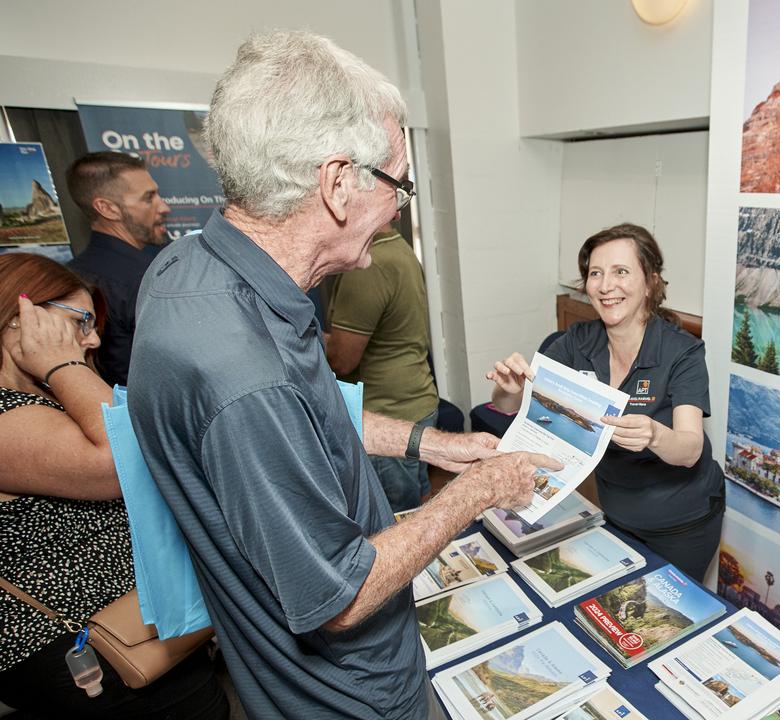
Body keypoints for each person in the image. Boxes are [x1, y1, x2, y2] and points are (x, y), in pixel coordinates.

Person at [126, 31, 557, 720]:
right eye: (398, 183)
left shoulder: (194, 270)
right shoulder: (243, 368)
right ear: (335, 183)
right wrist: (473, 492)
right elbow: (342, 596)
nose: (398, 207)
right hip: (345, 698)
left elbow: (308, 415)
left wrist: (431, 445)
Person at [0, 253, 227, 719]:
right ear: (18, 319)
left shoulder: (38, 400)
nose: (95, 337)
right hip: (80, 653)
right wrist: (62, 363)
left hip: (128, 631)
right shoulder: (7, 417)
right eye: (81, 321)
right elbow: (125, 462)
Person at [487, 223, 726, 580]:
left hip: (682, 523)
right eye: (595, 273)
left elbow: (690, 448)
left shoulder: (682, 352)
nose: (606, 285)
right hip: (616, 511)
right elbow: (509, 406)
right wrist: (509, 387)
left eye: (621, 272)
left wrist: (654, 436)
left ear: (650, 283)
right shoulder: (573, 343)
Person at [325, 222, 439, 512]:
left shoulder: (369, 265)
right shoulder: (400, 249)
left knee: (393, 524)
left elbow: (342, 359)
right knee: (419, 509)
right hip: (418, 403)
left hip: (386, 417)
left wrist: (308, 339)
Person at [65, 152, 171, 388]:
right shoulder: (152, 278)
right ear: (107, 208)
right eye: (148, 198)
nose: (164, 206)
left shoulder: (70, 275)